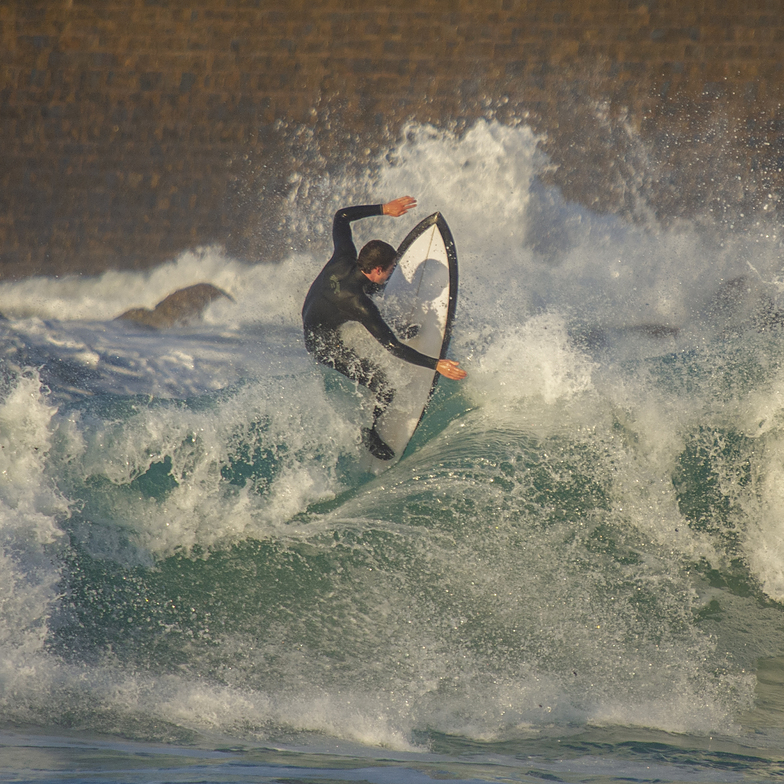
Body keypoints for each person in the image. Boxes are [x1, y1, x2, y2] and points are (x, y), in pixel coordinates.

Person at [302, 196, 467, 460]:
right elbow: (392, 348)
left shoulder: (344, 256)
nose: (393, 273)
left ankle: (393, 325)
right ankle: (367, 432)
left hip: (315, 311)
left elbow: (341, 216)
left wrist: (383, 209)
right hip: (322, 344)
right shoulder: (359, 304)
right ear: (376, 268)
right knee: (384, 386)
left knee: (376, 293)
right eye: (390, 270)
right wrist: (435, 364)